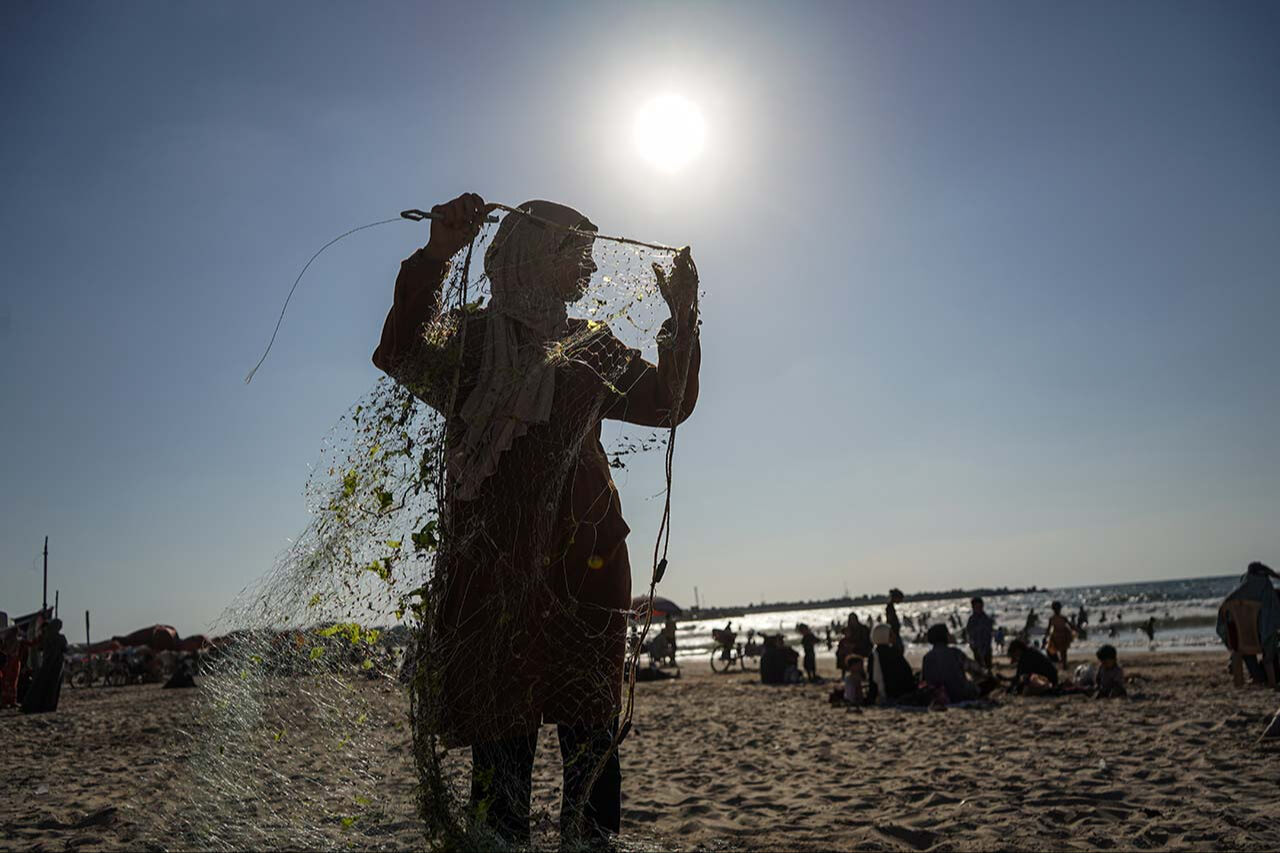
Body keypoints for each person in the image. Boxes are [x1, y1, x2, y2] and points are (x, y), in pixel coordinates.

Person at [373, 193, 701, 847]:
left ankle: (591, 839)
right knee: (503, 739)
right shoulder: (467, 342)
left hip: (589, 564)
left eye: (585, 255)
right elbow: (400, 352)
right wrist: (438, 253)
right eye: (570, 253)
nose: (584, 268)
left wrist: (683, 313)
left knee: (591, 729)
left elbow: (667, 403)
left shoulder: (591, 345)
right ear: (527, 254)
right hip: (494, 570)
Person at [1215, 562, 1280, 684]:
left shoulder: (1231, 601)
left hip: (1243, 642)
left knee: (1241, 641)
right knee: (1273, 640)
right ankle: (1268, 677)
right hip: (1264, 641)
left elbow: (1224, 623)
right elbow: (1273, 624)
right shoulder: (1268, 599)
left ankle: (1256, 675)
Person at [921, 624, 990, 703]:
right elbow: (975, 668)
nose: (950, 635)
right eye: (948, 633)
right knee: (989, 682)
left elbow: (924, 680)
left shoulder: (927, 657)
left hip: (938, 695)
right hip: (959, 694)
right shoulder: (955, 653)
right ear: (944, 636)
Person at [21, 618, 67, 714]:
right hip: (56, 663)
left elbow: (39, 648)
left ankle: (33, 705)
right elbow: (65, 649)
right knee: (52, 685)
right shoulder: (61, 638)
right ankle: (48, 705)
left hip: (47, 662)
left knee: (40, 683)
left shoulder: (46, 636)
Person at [867, 623, 916, 704]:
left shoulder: (873, 654)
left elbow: (872, 680)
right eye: (891, 634)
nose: (894, 636)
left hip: (885, 692)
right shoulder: (893, 652)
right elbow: (907, 674)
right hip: (898, 692)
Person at [965, 597, 995, 671]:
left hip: (986, 646)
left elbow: (989, 633)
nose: (978, 608)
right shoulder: (971, 619)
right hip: (976, 647)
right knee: (979, 666)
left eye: (980, 606)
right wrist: (972, 644)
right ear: (973, 607)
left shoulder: (986, 618)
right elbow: (969, 633)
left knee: (988, 666)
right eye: (976, 607)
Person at [1044, 601, 1075, 668]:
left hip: (1056, 635)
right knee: (1063, 651)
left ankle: (1063, 663)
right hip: (1063, 635)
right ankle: (1064, 664)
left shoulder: (1052, 618)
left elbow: (1048, 629)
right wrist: (1075, 629)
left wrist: (1046, 636)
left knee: (1061, 650)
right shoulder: (1063, 617)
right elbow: (1070, 625)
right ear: (1060, 608)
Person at [0, 628, 21, 709]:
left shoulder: (9, 639)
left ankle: (8, 701)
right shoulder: (13, 640)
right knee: (9, 681)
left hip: (11, 660)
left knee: (10, 682)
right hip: (11, 661)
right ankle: (8, 701)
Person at [886, 588, 906, 654]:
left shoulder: (890, 607)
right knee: (899, 650)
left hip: (895, 633)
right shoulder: (890, 608)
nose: (901, 601)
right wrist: (892, 633)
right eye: (900, 599)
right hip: (894, 633)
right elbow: (889, 621)